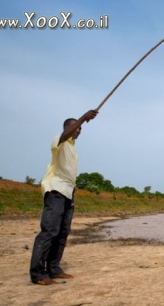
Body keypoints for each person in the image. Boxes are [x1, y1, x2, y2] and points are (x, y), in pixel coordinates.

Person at [29, 109, 98, 285]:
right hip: (55, 191)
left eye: (80, 129)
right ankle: (38, 274)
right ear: (67, 127)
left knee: (62, 232)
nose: (78, 131)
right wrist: (83, 118)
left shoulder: (73, 150)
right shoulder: (58, 141)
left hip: (68, 193)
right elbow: (65, 134)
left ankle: (54, 269)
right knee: (49, 231)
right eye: (75, 127)